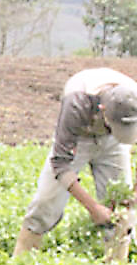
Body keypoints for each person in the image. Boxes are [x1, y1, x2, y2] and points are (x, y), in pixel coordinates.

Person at [13, 67, 137, 255]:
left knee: (123, 210)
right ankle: (21, 263)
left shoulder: (133, 102)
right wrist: (93, 207)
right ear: (102, 110)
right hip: (80, 137)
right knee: (45, 203)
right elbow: (60, 163)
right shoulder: (77, 102)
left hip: (112, 144)